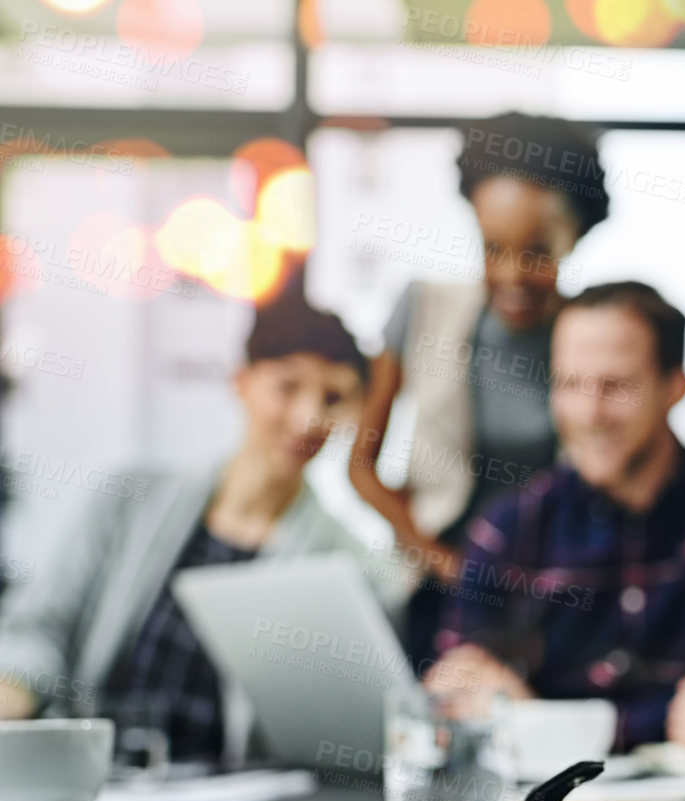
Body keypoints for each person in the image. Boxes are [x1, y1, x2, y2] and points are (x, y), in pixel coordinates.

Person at [0, 292, 407, 763]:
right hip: (99, 781)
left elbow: (350, 730)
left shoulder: (354, 568)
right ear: (242, 382)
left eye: (333, 398)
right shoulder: (129, 500)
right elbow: (42, 627)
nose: (308, 418)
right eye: (287, 387)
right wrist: (14, 691)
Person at [424, 281, 685, 752]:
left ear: (674, 385)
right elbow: (458, 698)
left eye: (615, 386)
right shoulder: (508, 526)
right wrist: (659, 717)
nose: (590, 413)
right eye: (570, 384)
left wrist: (536, 720)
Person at [349, 112, 609, 666]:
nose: (512, 276)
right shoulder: (423, 308)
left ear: (574, 238)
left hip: (546, 605)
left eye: (537, 253)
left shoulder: (591, 340)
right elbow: (361, 466)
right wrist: (436, 557)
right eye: (493, 248)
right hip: (433, 594)